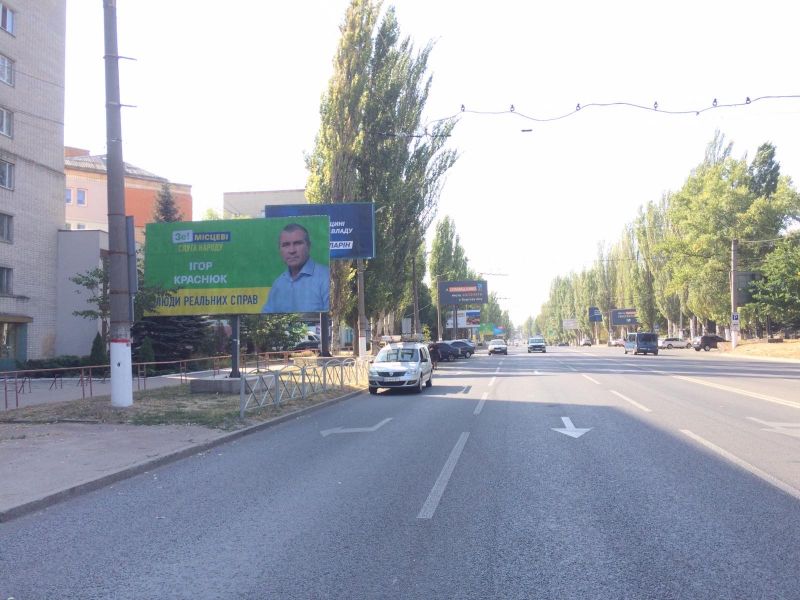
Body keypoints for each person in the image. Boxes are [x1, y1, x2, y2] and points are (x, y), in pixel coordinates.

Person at [263, 223, 330, 313]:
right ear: (280, 250)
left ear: (309, 246)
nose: (292, 251)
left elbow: (333, 320)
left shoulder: (326, 278)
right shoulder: (278, 284)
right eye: (286, 245)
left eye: (297, 243)